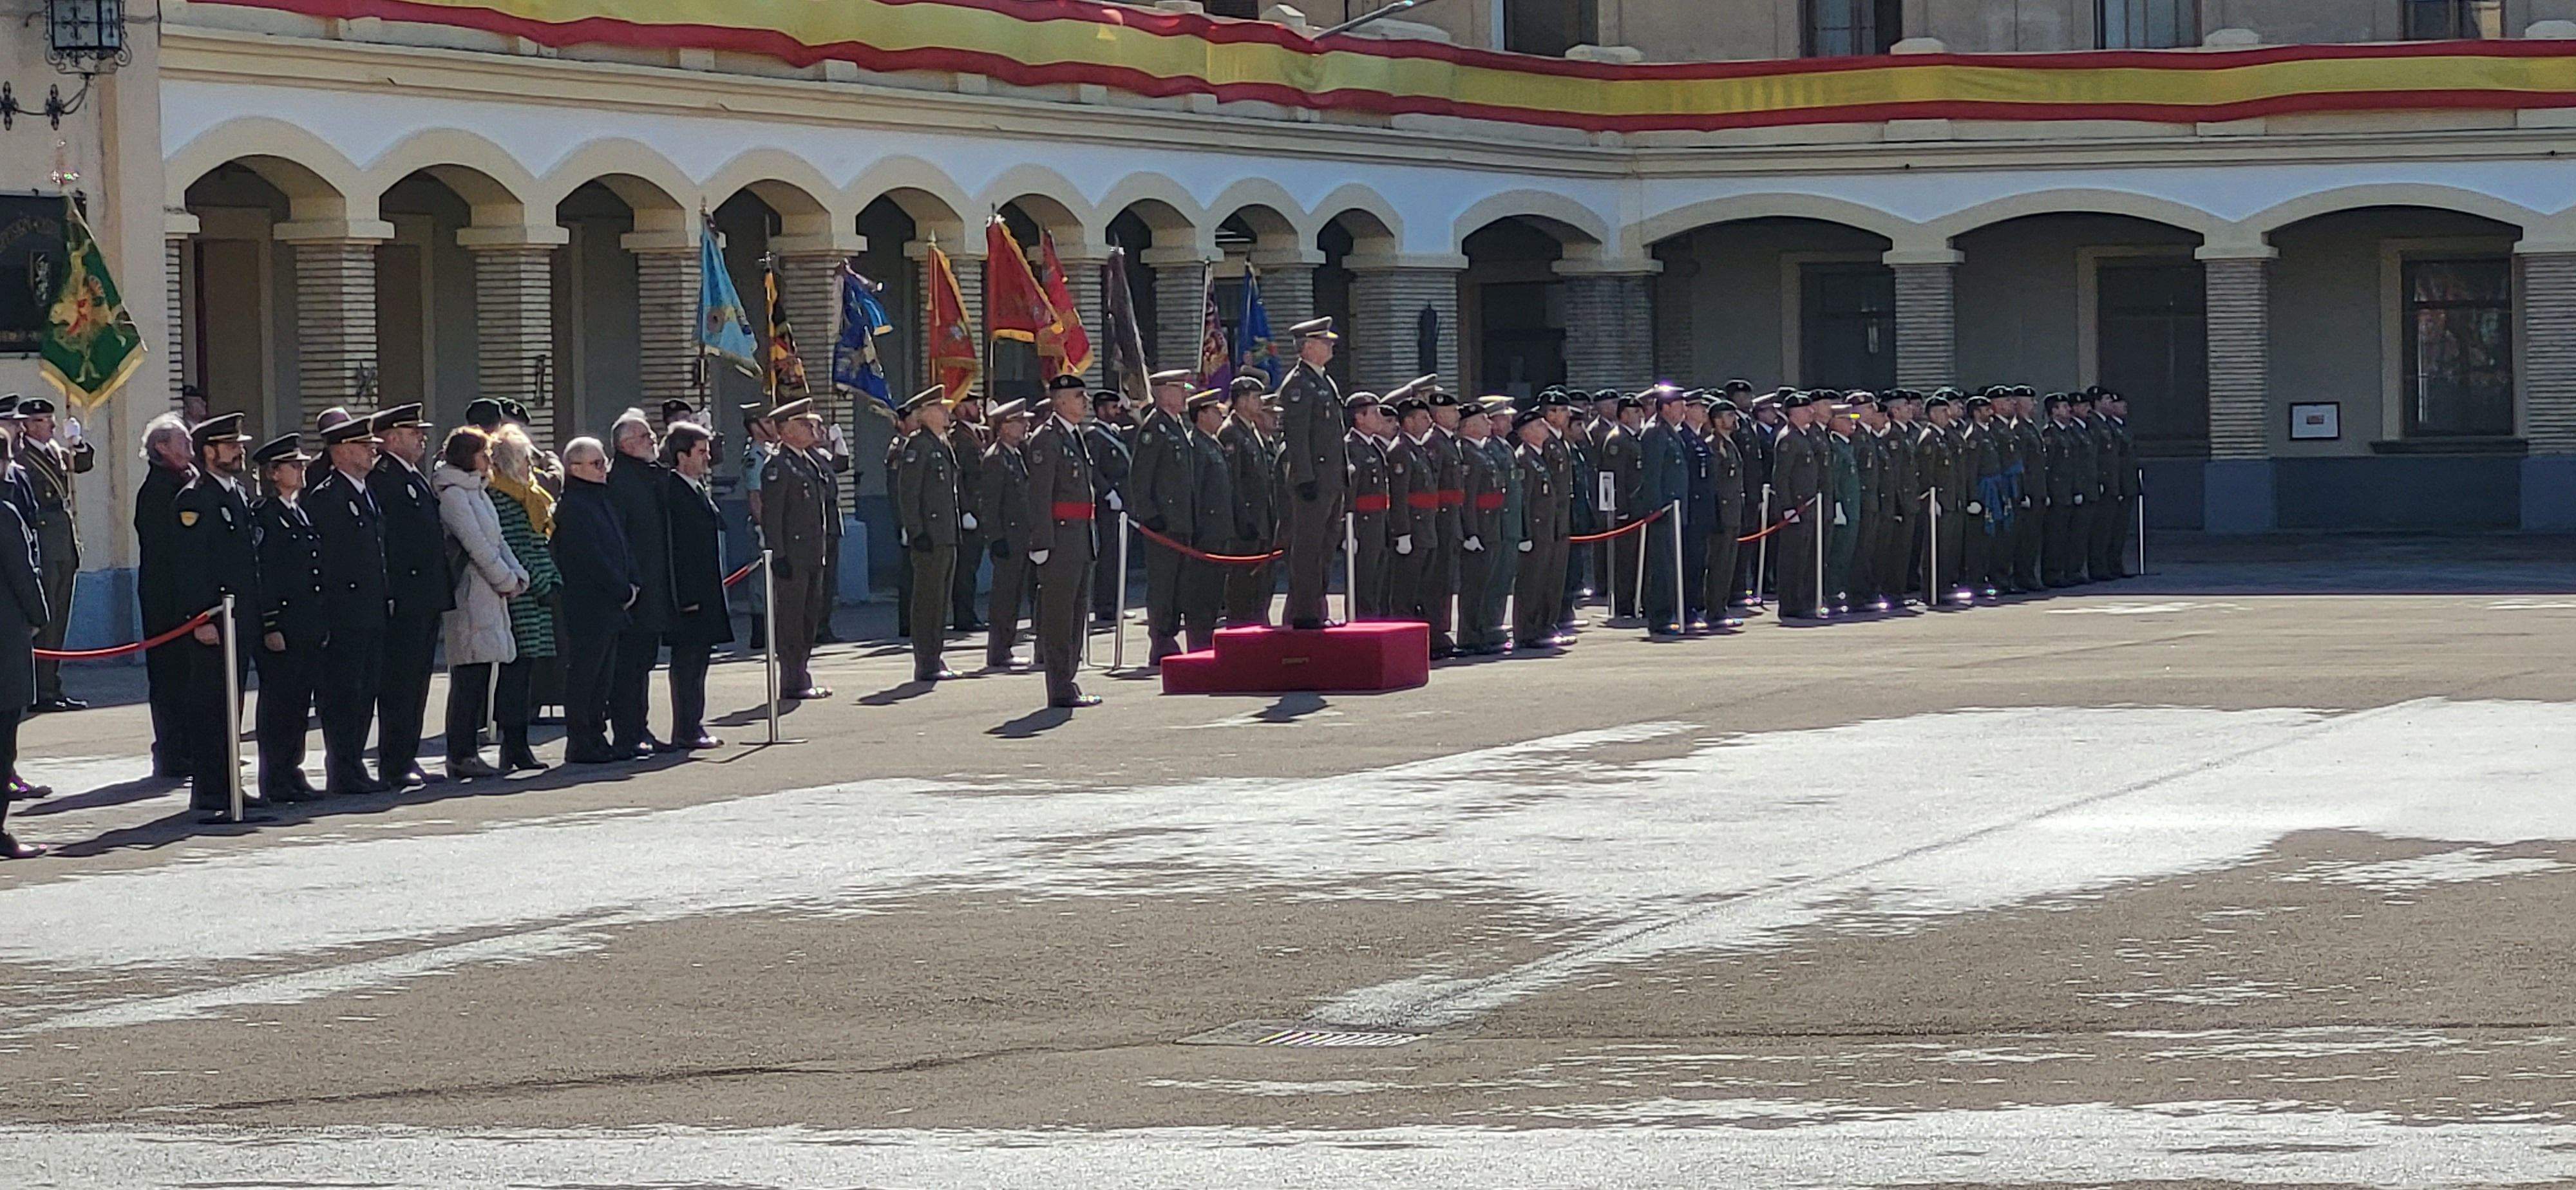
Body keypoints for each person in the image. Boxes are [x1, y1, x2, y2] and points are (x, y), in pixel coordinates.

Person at [169, 413, 260, 817]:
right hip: (212, 619)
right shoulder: (195, 498)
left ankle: (229, 786)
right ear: (209, 452)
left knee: (231, 705)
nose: (239, 450)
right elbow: (189, 566)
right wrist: (199, 618)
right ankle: (209, 791)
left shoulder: (234, 492)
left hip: (238, 616)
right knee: (211, 707)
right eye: (231, 445)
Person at [431, 426, 527, 780]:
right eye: (484, 454)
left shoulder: (479, 491)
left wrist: (517, 574)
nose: (490, 460)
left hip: (491, 592)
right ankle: (461, 753)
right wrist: (504, 579)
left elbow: (498, 541)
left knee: (484, 671)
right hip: (472, 592)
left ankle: (470, 750)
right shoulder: (454, 494)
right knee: (468, 676)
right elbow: (476, 545)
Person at [368, 404, 453, 789]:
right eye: (412, 432)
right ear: (391, 438)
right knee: (400, 683)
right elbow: (394, 544)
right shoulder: (385, 478)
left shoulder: (411, 476)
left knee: (417, 682)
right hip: (405, 597)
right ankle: (394, 761)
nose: (421, 438)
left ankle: (406, 755)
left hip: (424, 595)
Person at [308, 415, 388, 795]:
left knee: (365, 690)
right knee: (343, 694)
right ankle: (343, 766)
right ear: (341, 451)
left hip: (370, 609)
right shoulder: (328, 497)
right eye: (363, 446)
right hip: (345, 612)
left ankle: (354, 762)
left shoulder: (364, 491)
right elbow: (328, 561)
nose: (372, 451)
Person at [249, 434, 327, 804]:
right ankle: (275, 776)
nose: (301, 471)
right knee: (279, 704)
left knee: (299, 705)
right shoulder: (265, 516)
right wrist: (270, 624)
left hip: (305, 622)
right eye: (294, 466)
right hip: (283, 623)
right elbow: (265, 574)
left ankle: (293, 770)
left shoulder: (298, 510)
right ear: (273, 474)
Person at [554, 437, 638, 764]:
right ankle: (581, 740)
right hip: (589, 603)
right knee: (586, 675)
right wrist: (620, 588)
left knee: (604, 676)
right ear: (575, 469)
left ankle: (597, 736)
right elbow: (590, 557)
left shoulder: (601, 498)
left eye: (604, 462)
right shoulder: (573, 505)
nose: (604, 470)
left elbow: (620, 544)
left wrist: (633, 582)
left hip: (613, 603)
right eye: (596, 464)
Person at [487, 424, 560, 773]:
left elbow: (540, 542)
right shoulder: (502, 497)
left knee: (527, 672)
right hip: (521, 596)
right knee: (516, 673)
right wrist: (546, 583)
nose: (530, 465)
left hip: (536, 592)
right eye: (524, 459)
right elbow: (518, 547)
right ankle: (512, 745)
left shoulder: (527, 495)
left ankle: (519, 745)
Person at [603, 409, 674, 756]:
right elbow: (620, 539)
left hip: (654, 584)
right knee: (629, 667)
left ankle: (640, 727)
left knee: (644, 663)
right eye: (646, 437)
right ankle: (628, 732)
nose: (653, 442)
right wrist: (629, 583)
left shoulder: (649, 475)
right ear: (628, 444)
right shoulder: (620, 481)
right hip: (635, 589)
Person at [1025, 380, 1099, 708]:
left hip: (1079, 537)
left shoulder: (1074, 436)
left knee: (1076, 614)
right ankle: (1059, 686)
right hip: (1059, 539)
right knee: (1058, 617)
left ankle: (1068, 680)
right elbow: (1039, 495)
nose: (1085, 402)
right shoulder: (1047, 439)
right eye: (1078, 397)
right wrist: (1041, 540)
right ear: (1059, 402)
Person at [17, 397, 93, 712]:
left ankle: (51, 684)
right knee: (45, 620)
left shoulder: (56, 453)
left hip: (63, 541)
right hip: (45, 543)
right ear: (26, 426)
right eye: (40, 421)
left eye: (49, 420)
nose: (48, 425)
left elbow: (84, 464)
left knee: (59, 618)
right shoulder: (23, 456)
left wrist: (78, 442)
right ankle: (39, 690)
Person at [660, 420, 732, 750]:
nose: (708, 459)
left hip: (705, 590)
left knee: (699, 659)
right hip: (690, 596)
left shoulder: (694, 487)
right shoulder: (674, 491)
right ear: (681, 456)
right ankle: (687, 728)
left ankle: (694, 723)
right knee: (688, 662)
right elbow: (680, 550)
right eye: (701, 452)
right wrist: (687, 597)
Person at [135, 411, 196, 780]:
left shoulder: (185, 481)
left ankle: (192, 747)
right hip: (167, 599)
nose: (190, 448)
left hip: (188, 597)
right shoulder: (159, 490)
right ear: (162, 448)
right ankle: (172, 752)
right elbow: (169, 550)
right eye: (182, 442)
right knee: (171, 677)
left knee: (192, 678)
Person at [759, 400, 834, 700]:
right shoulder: (778, 466)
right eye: (804, 424)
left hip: (812, 552)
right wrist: (777, 554)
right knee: (791, 621)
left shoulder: (808, 461)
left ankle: (801, 675)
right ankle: (792, 679)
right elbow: (773, 515)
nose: (812, 429)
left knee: (808, 618)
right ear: (786, 431)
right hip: (792, 554)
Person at [1276, 319, 1345, 630]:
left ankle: (1317, 607)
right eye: (1324, 341)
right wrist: (1304, 477)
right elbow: (1297, 436)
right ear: (1307, 347)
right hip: (1313, 481)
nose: (1331, 346)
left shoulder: (1324, 381)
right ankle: (1304, 612)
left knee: (1326, 547)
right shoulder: (1299, 384)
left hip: (1329, 479)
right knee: (1308, 549)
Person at [1127, 370, 1197, 663]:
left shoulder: (1177, 426)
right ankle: (1161, 639)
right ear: (1162, 393)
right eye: (1179, 388)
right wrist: (1149, 514)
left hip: (1181, 520)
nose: (1185, 394)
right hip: (1164, 524)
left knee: (1179, 584)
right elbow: (1140, 477)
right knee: (1163, 584)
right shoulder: (1154, 429)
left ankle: (1169, 634)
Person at [895, 388, 964, 683]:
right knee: (927, 600)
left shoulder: (941, 444)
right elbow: (908, 494)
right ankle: (926, 660)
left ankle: (935, 656)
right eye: (940, 407)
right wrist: (916, 531)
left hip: (946, 532)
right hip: (930, 534)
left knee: (941, 599)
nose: (947, 412)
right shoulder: (918, 446)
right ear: (925, 414)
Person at [0, 466, 46, 858]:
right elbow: (22, 572)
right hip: (3, 643)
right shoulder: (4, 512)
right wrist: (40, 617)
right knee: (2, 744)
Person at [978, 400, 1036, 670]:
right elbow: (989, 503)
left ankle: (1006, 647)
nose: (1025, 426)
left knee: (1014, 595)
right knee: (1005, 596)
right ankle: (999, 650)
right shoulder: (995, 458)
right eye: (1019, 422)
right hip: (1009, 537)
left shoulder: (1016, 454)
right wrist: (996, 538)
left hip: (1022, 535)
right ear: (1003, 427)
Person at [1218, 376, 1280, 628]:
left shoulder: (1250, 430)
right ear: (1241, 400)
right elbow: (1233, 483)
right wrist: (1242, 520)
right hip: (1244, 522)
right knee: (1243, 584)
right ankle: (1241, 627)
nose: (1258, 402)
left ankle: (1257, 623)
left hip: (1261, 518)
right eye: (1254, 397)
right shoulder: (1231, 432)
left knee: (1261, 582)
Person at [1180, 390, 1237, 653]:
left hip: (1220, 529)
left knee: (1214, 592)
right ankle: (1199, 644)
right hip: (1206, 531)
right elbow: (1195, 491)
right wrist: (1198, 528)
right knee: (1201, 594)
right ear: (1201, 415)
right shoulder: (1196, 446)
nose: (1220, 415)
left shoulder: (1211, 443)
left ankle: (1206, 641)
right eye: (1214, 411)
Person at [1509, 406, 1565, 650]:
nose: (1545, 428)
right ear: (1527, 432)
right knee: (1531, 583)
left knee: (1544, 581)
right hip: (1535, 531)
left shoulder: (1539, 456)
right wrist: (1525, 533)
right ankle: (1526, 631)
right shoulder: (1524, 458)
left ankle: (1541, 626)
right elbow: (1523, 500)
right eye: (1539, 426)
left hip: (1547, 530)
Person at [1637, 388, 1692, 636]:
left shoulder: (1670, 432)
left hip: (1675, 510)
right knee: (1662, 565)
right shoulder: (1655, 432)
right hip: (1663, 511)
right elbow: (1651, 476)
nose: (1684, 409)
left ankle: (1669, 611)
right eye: (1679, 404)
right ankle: (1659, 616)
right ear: (1666, 407)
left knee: (1671, 564)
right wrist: (1655, 509)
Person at [1453, 401, 1506, 655]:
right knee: (1475, 585)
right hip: (1481, 528)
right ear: (1470, 426)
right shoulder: (1468, 455)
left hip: (1492, 526)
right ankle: (1470, 634)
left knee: (1487, 583)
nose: (1490, 423)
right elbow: (1469, 499)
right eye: (1484, 420)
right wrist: (1471, 532)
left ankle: (1483, 629)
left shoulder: (1482, 452)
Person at [1084, 385, 1133, 627]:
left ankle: (1116, 603)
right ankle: (1105, 606)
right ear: (1101, 410)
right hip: (1109, 505)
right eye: (1113, 408)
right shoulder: (1093, 435)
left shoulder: (1114, 432)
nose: (1117, 411)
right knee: (1109, 555)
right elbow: (1093, 469)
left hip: (1123, 504)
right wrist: (1107, 492)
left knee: (1120, 555)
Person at [1344, 392, 1394, 619]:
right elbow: (1349, 491)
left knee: (1376, 580)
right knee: (1363, 581)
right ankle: (1362, 625)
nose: (1379, 418)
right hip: (1363, 524)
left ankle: (1373, 621)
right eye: (1374, 413)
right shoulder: (1351, 447)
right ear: (1359, 418)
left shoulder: (1372, 446)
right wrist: (1348, 529)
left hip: (1378, 523)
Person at [945, 395, 991, 634]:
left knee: (971, 567)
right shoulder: (959, 439)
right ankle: (963, 615)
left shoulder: (977, 435)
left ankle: (969, 612)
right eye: (973, 404)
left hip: (980, 510)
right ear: (960, 408)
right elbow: (960, 478)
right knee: (964, 569)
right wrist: (965, 510)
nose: (978, 408)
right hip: (969, 513)